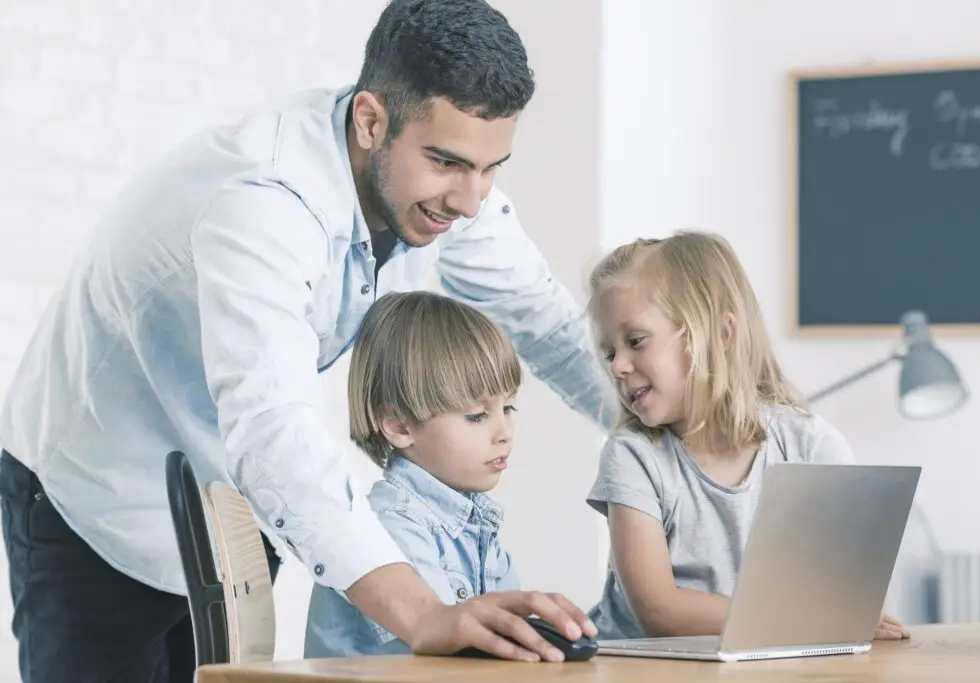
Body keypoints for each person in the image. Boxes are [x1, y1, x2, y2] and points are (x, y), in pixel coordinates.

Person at [0, 1, 613, 680]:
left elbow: (549, 323)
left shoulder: (444, 184)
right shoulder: (264, 203)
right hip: (95, 491)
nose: (471, 199)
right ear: (371, 119)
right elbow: (273, 430)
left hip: (225, 488)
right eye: (447, 162)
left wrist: (681, 444)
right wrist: (421, 610)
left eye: (492, 167)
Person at [582, 231, 910, 641]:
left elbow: (849, 600)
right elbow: (658, 610)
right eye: (610, 352)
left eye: (635, 342)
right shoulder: (633, 457)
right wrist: (808, 619)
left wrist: (837, 614)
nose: (617, 367)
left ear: (720, 334)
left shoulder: (809, 445)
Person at [305, 291, 525, 657]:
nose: (504, 432)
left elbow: (511, 633)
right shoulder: (392, 524)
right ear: (399, 425)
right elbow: (455, 652)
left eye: (509, 407)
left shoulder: (476, 518)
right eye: (476, 416)